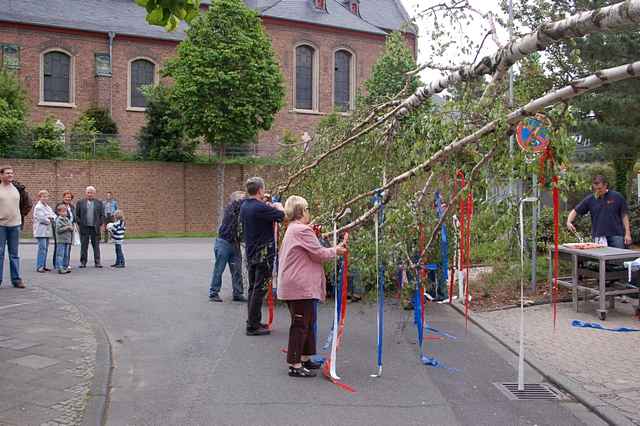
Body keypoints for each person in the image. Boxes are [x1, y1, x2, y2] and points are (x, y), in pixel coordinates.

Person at [277, 195, 347, 377]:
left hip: (300, 285)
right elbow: (319, 253)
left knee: (308, 321)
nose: (309, 212)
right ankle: (295, 363)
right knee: (300, 324)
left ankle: (305, 357)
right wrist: (336, 250)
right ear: (301, 211)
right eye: (307, 209)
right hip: (299, 286)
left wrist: (332, 250)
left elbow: (314, 254)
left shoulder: (295, 229)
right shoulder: (301, 230)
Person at [240, 177, 285, 336]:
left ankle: (253, 321)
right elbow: (281, 215)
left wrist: (267, 205)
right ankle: (253, 326)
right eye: (263, 189)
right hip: (263, 255)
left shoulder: (245, 205)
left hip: (252, 253)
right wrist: (277, 205)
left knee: (253, 288)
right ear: (260, 190)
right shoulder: (260, 208)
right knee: (260, 289)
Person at [567, 175, 632, 248]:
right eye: (595, 189)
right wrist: (569, 222)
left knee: (618, 258)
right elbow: (575, 210)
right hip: (599, 237)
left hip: (616, 235)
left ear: (605, 185)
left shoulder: (617, 196)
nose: (597, 191)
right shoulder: (590, 199)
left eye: (599, 188)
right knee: (601, 258)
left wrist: (628, 233)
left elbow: (624, 215)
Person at [209, 191, 246, 303]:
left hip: (234, 243)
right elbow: (239, 204)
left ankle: (238, 293)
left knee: (237, 269)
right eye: (242, 199)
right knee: (219, 268)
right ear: (235, 200)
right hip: (223, 242)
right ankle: (214, 292)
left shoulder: (241, 212)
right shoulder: (231, 208)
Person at [0, 166, 25, 288]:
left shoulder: (17, 188)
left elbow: (26, 203)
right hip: (1, 226)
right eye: (7, 173)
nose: (10, 175)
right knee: (0, 253)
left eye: (11, 173)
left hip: (15, 225)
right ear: (1, 175)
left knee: (14, 254)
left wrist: (20, 216)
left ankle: (16, 280)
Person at [75, 186, 105, 268]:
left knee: (96, 245)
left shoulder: (99, 203)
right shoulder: (80, 202)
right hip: (84, 227)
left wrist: (100, 224)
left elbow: (102, 215)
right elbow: (77, 215)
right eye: (88, 192)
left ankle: (97, 262)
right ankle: (83, 262)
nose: (90, 194)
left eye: (91, 193)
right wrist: (80, 223)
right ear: (86, 193)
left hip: (95, 228)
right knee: (84, 246)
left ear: (94, 193)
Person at [33, 190, 56, 272]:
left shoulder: (47, 206)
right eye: (43, 196)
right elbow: (42, 219)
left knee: (45, 249)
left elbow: (54, 215)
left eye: (47, 196)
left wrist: (50, 218)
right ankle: (40, 266)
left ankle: (43, 265)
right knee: (42, 249)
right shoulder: (38, 207)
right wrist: (50, 219)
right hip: (41, 231)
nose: (45, 198)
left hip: (47, 231)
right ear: (40, 197)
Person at [54, 203, 73, 274]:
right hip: (61, 240)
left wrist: (71, 228)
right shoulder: (58, 220)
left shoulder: (67, 219)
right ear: (59, 212)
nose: (65, 213)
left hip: (67, 240)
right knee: (60, 254)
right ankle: (60, 267)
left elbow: (71, 227)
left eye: (66, 211)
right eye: (63, 211)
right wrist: (67, 227)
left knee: (66, 254)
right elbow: (58, 230)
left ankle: (65, 266)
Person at [61, 191, 76, 271]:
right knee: (61, 248)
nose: (68, 198)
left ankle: (66, 263)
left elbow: (74, 216)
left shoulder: (72, 206)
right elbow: (58, 216)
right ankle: (59, 264)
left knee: (68, 247)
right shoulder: (60, 206)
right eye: (66, 197)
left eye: (69, 197)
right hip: (63, 229)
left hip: (70, 229)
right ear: (63, 197)